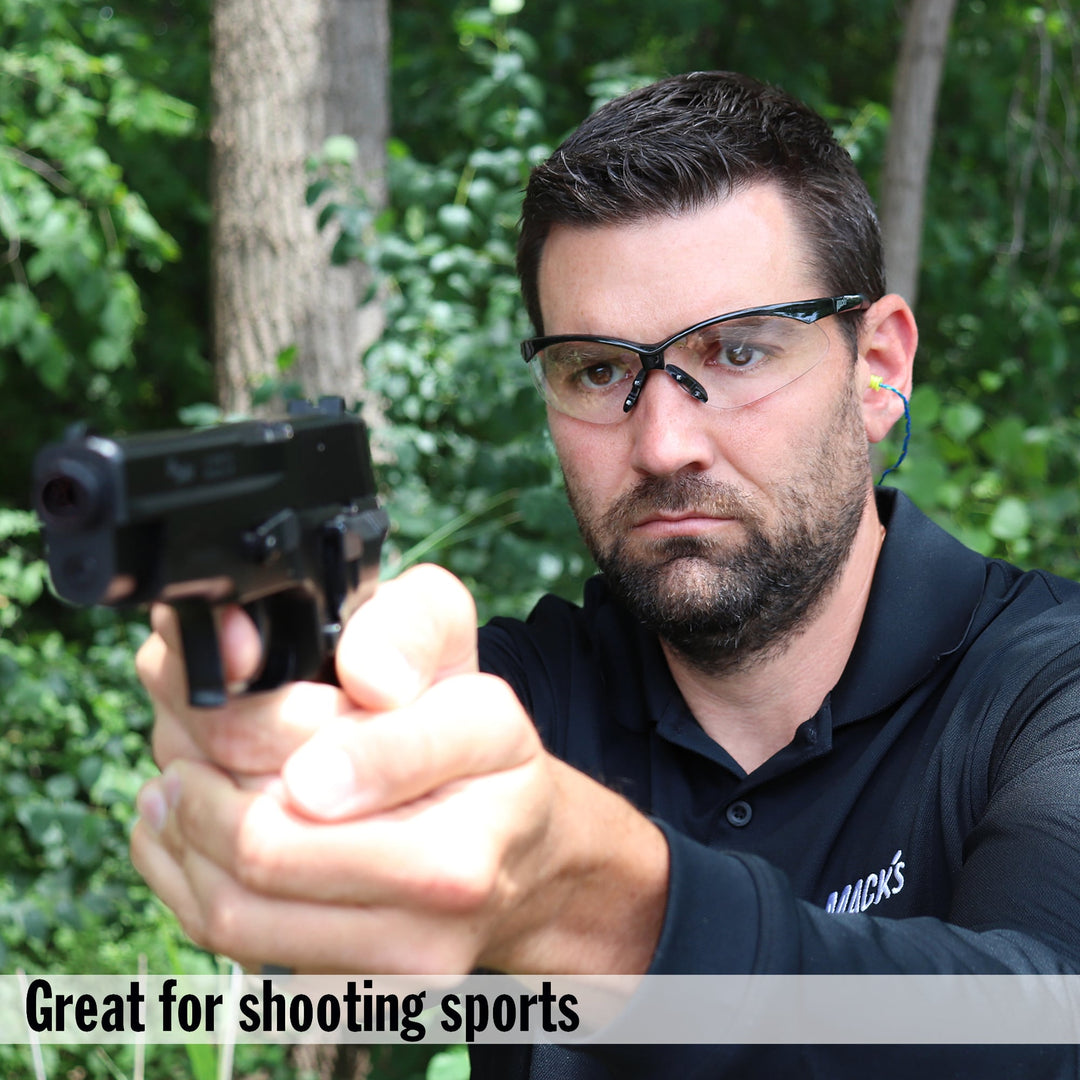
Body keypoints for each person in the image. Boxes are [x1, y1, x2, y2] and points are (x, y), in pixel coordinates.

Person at [130, 72, 1080, 1077]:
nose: (665, 443)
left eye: (741, 351)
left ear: (878, 367)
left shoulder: (1040, 688)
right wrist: (304, 786)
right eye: (596, 370)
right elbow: (344, 986)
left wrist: (602, 910)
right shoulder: (514, 711)